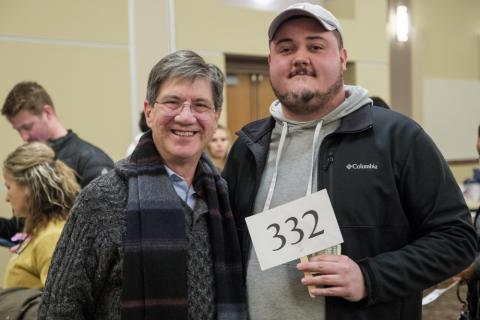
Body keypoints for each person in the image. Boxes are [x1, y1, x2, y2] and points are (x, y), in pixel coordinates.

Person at [222, 2, 477, 320]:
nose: (300, 57)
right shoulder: (249, 147)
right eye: (286, 49)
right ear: (271, 61)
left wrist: (370, 277)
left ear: (342, 59)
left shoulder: (397, 138)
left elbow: (457, 239)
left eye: (316, 46)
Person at [39, 50, 246, 320]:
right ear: (149, 112)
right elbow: (59, 309)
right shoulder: (103, 199)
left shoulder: (225, 199)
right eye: (172, 102)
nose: (185, 117)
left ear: (215, 116)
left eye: (200, 105)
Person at [0, 81, 114, 242]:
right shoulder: (33, 164)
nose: (24, 137)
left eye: (27, 127)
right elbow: (20, 228)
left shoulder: (92, 162)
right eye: (18, 130)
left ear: (47, 113)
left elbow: (104, 231)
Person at [2, 142, 80, 289]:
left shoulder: (50, 237)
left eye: (9, 187)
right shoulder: (42, 231)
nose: (6, 197)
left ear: (29, 188)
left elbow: (59, 306)